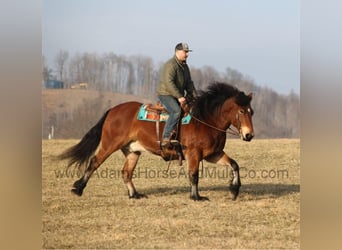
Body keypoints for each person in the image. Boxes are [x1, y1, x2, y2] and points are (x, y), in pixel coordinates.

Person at [157, 42, 197, 147]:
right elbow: (168, 82)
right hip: (166, 94)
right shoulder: (170, 65)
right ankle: (166, 137)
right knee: (176, 111)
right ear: (177, 52)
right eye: (185, 52)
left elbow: (189, 83)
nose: (187, 54)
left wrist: (196, 97)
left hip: (177, 95)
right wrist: (179, 96)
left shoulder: (185, 66)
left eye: (188, 52)